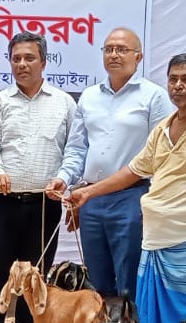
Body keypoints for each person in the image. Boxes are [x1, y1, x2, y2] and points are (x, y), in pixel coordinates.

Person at [69, 53, 186, 323]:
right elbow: (133, 170)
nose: (178, 86)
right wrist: (89, 193)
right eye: (173, 79)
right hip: (155, 241)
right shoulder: (163, 128)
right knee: (150, 318)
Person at [0, 31, 78, 323]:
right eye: (16, 58)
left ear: (44, 62)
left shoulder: (63, 103)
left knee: (36, 276)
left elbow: (74, 150)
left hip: (44, 205)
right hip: (4, 201)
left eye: (29, 58)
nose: (22, 64)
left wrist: (63, 177)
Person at [45, 28, 173, 299]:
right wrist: (64, 178)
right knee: (98, 277)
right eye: (109, 49)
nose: (114, 54)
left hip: (133, 197)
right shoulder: (89, 96)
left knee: (129, 277)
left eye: (122, 49)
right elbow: (78, 148)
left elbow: (158, 156)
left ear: (138, 57)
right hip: (91, 201)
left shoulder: (154, 97)